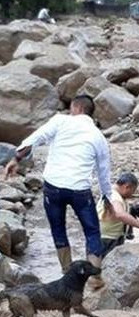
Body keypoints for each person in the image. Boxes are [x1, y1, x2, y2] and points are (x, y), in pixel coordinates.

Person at [4, 95, 112, 276]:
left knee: (58, 229)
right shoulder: (98, 136)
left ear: (76, 108)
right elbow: (103, 172)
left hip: (53, 188)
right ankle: (94, 279)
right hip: (80, 190)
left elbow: (35, 138)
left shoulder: (60, 121)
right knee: (92, 232)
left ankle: (67, 272)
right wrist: (106, 197)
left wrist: (16, 159)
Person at [97, 172, 139, 259]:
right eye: (132, 191)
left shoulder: (112, 193)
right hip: (108, 239)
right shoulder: (114, 197)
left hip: (109, 236)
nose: (132, 194)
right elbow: (120, 214)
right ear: (127, 186)